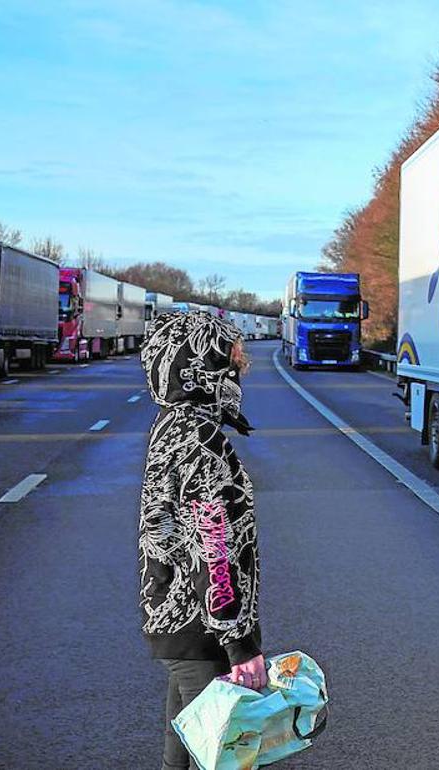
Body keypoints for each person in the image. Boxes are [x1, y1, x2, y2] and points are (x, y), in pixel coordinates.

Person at [139, 311, 264, 770]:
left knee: (183, 749)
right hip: (203, 624)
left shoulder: (173, 423)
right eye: (230, 361)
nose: (238, 370)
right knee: (230, 756)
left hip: (178, 619)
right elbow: (211, 541)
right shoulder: (200, 437)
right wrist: (240, 644)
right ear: (200, 366)